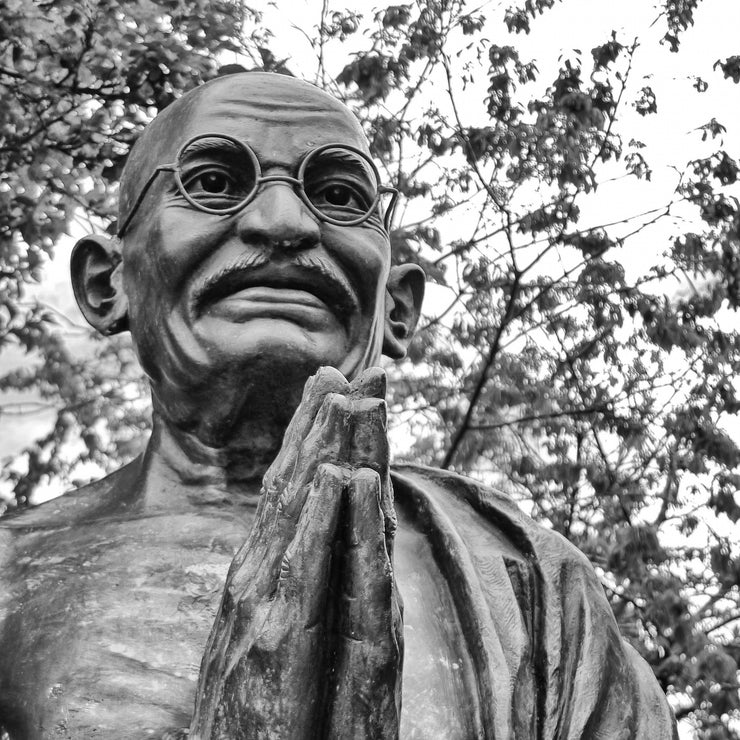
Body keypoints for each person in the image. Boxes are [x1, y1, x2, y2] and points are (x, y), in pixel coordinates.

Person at [0, 71, 677, 739]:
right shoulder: (10, 579)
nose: (284, 223)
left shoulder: (530, 588)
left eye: (338, 194)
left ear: (397, 307)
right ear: (104, 284)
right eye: (211, 183)